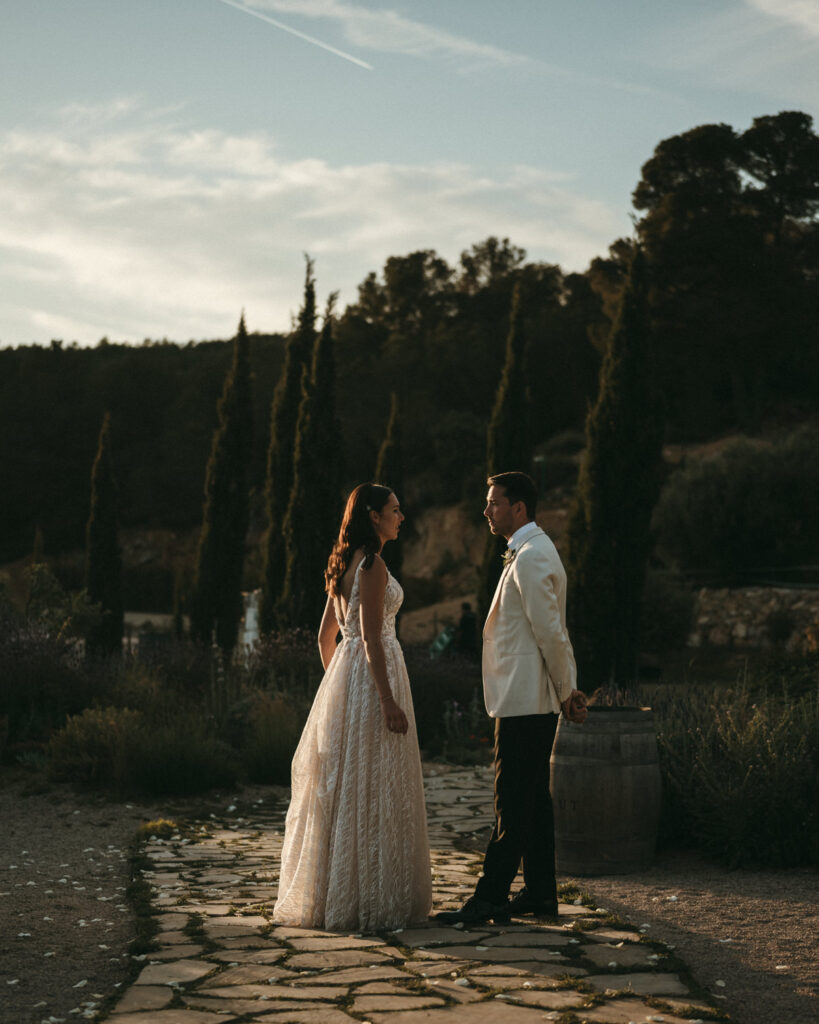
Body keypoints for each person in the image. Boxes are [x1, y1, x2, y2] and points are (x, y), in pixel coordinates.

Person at [273, 482, 432, 932]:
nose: (402, 517)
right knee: (376, 787)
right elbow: (369, 639)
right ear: (373, 516)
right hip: (376, 678)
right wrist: (385, 699)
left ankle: (336, 893)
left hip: (348, 682)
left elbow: (327, 638)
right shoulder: (373, 565)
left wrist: (338, 689)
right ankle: (373, 897)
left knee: (346, 791)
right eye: (395, 510)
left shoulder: (343, 563)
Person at [437, 471, 587, 926]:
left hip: (527, 701)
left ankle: (489, 896)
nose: (486, 511)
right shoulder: (528, 552)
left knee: (512, 799)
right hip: (524, 698)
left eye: (494, 503)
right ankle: (541, 893)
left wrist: (568, 691)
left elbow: (551, 634)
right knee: (534, 802)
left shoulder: (531, 557)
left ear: (518, 507)